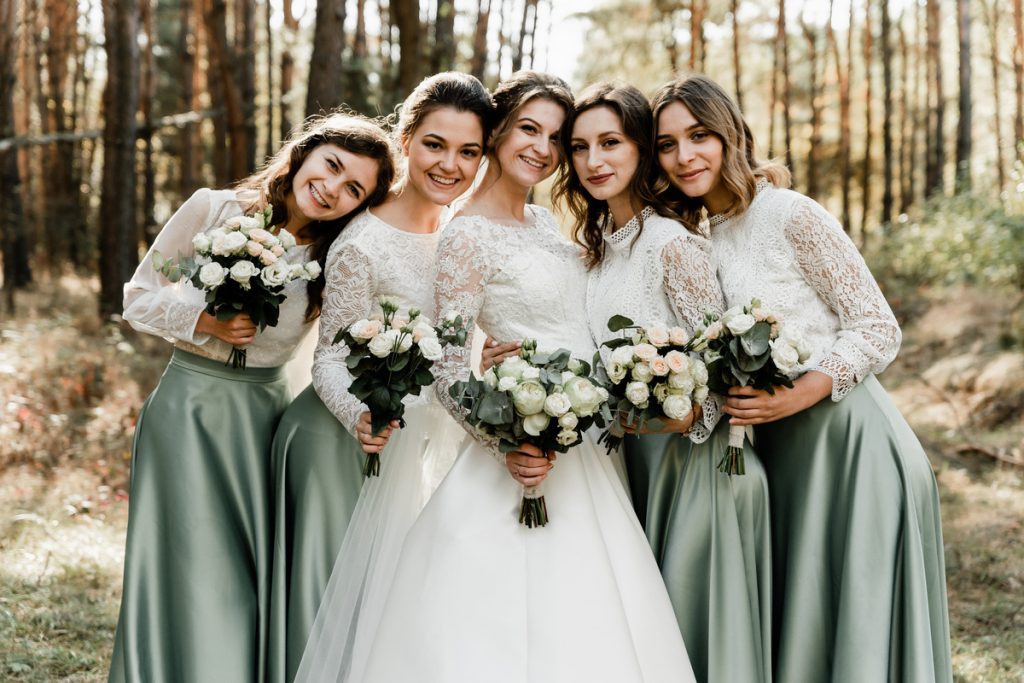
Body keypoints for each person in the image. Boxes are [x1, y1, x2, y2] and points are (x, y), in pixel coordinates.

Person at [299, 69, 697, 683]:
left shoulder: (546, 225)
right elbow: (451, 364)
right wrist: (510, 442)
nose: (542, 147)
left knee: (597, 612)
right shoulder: (465, 236)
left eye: (556, 137)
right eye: (527, 130)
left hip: (586, 440)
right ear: (498, 134)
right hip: (524, 449)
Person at [653, 73, 952, 683]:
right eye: (666, 143)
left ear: (732, 135)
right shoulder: (697, 239)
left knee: (857, 626)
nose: (685, 156)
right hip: (779, 454)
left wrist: (806, 389)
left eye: (700, 135)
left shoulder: (791, 213)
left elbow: (876, 325)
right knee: (807, 627)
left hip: (848, 444)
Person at [109, 113, 396, 683]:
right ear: (306, 152)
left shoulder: (335, 258)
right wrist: (205, 322)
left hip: (264, 418)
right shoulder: (214, 209)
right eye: (331, 166)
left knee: (242, 573)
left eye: (353, 189)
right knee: (188, 565)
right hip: (188, 409)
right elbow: (138, 297)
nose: (332, 188)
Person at [269, 71, 493, 683]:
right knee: (336, 608)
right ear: (407, 138)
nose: (450, 164)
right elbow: (328, 359)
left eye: (468, 151)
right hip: (343, 442)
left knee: (401, 610)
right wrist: (361, 417)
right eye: (435, 144)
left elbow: (456, 341)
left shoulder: (459, 233)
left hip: (423, 439)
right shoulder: (362, 243)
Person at [550, 80, 771, 683]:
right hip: (635, 468)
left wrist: (674, 414)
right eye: (579, 147)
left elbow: (721, 379)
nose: (594, 162)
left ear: (642, 150)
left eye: (611, 143)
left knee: (700, 643)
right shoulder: (597, 251)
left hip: (697, 470)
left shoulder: (673, 245)